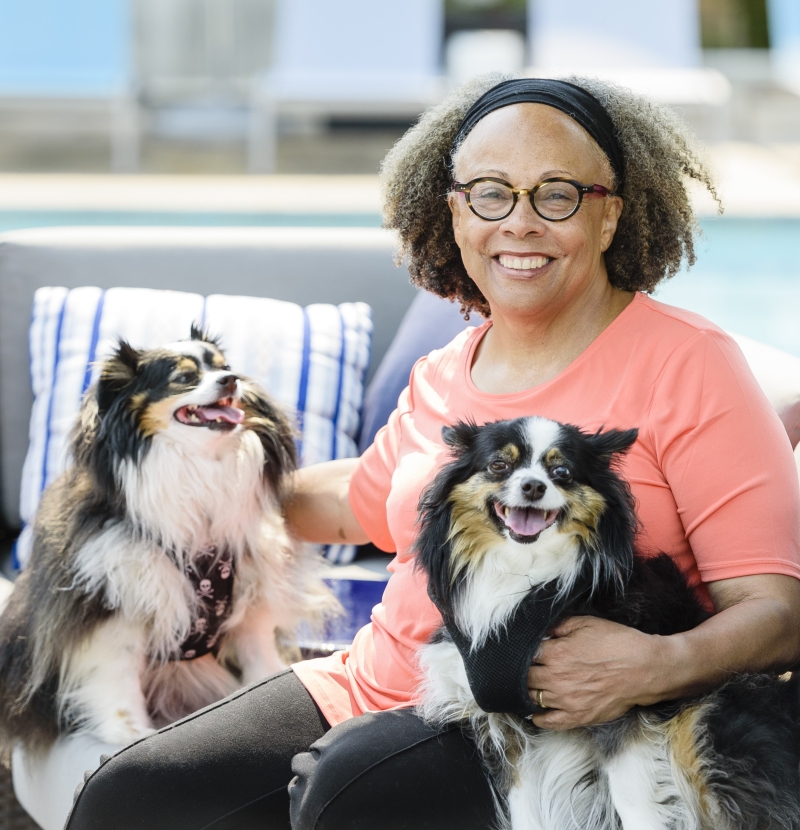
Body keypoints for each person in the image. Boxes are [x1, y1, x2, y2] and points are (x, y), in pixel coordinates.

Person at [67, 75, 800, 830]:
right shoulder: (447, 370)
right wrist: (182, 488)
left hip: (533, 722)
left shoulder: (692, 365)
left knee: (347, 792)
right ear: (453, 210)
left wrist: (656, 666)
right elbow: (360, 498)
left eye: (556, 195)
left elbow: (777, 613)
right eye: (490, 192)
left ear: (609, 214)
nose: (520, 222)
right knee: (122, 802)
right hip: (385, 680)